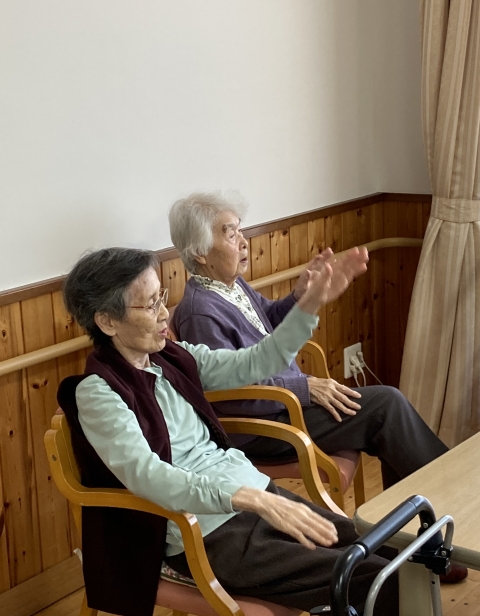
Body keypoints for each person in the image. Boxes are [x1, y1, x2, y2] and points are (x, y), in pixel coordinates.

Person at [58, 245, 400, 616]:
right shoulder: (98, 393)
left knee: (389, 550)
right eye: (150, 305)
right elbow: (149, 476)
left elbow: (257, 361)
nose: (165, 313)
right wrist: (247, 498)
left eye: (161, 298)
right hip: (205, 534)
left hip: (254, 497)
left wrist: (309, 305)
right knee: (376, 579)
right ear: (107, 321)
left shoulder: (174, 356)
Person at [169, 191, 449, 491]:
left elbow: (268, 321)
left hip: (286, 406)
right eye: (230, 234)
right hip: (262, 427)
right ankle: (450, 490)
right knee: (385, 407)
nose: (244, 241)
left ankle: (423, 507)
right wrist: (304, 388)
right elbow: (230, 393)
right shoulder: (200, 312)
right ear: (200, 252)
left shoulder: (231, 285)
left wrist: (299, 296)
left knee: (387, 418)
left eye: (241, 230)